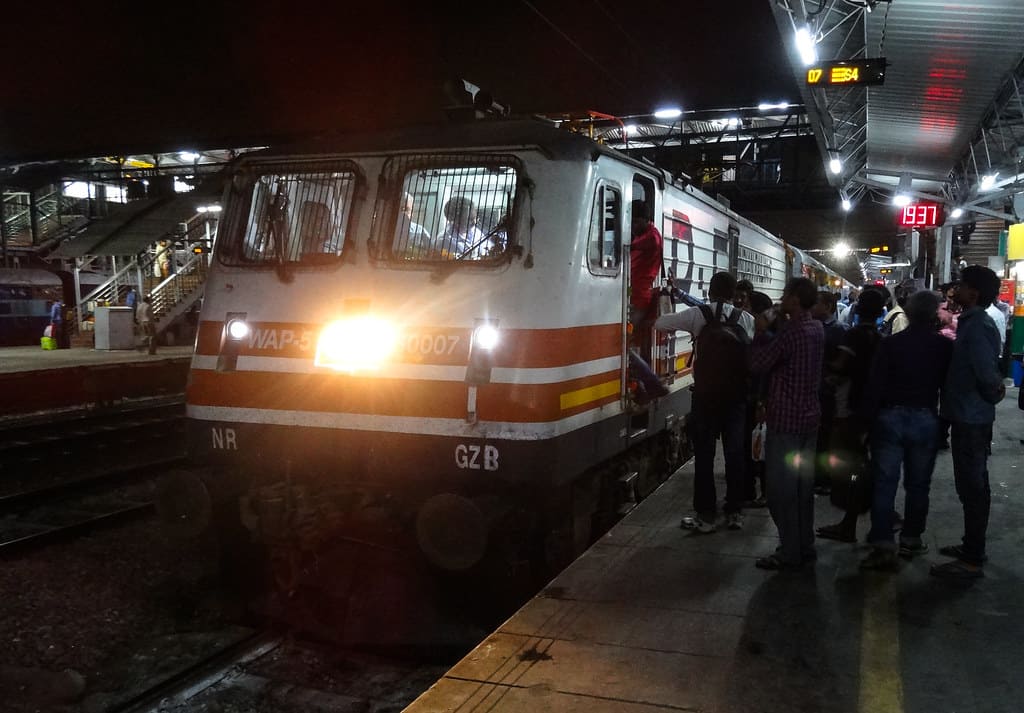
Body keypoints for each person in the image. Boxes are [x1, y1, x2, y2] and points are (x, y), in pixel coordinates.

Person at [859, 290, 953, 570]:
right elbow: (948, 388)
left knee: (884, 484)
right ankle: (911, 539)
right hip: (925, 417)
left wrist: (864, 424)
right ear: (934, 313)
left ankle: (883, 544)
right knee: (918, 485)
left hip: (890, 418)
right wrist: (943, 426)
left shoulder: (891, 344)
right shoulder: (943, 347)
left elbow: (875, 386)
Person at [655, 271, 754, 532]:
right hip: (736, 399)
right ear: (735, 294)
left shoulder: (699, 315)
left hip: (706, 396)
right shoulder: (745, 319)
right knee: (735, 455)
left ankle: (706, 516)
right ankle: (735, 512)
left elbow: (661, 324)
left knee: (705, 456)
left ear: (710, 291)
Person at [932, 265, 1005, 579]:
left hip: (971, 418)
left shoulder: (976, 326)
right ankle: (971, 547)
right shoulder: (972, 323)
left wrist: (993, 394)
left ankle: (972, 559)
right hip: (968, 415)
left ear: (973, 293)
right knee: (972, 486)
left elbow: (988, 375)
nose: (954, 291)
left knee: (973, 487)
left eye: (960, 286)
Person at [749, 277, 824, 570]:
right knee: (803, 490)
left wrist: (760, 332)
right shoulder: (816, 328)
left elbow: (758, 364)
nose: (781, 299)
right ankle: (805, 546)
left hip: (786, 422)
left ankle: (789, 551)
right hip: (809, 420)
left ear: (795, 298)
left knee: (781, 492)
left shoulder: (791, 333)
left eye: (785, 295)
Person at [815, 289, 884, 543]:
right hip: (868, 410)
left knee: (847, 467)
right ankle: (852, 521)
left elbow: (841, 365)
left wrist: (826, 369)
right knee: (857, 465)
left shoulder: (853, 336)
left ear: (858, 308)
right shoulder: (879, 337)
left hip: (848, 408)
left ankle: (849, 522)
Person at [627, 201, 668, 404]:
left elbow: (627, 245)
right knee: (628, 345)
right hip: (633, 296)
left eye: (635, 222)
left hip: (638, 298)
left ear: (646, 220)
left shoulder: (651, 237)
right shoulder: (645, 235)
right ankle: (641, 387)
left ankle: (651, 383)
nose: (633, 226)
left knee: (621, 346)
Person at [811, 291, 846, 495]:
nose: (812, 307)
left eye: (816, 304)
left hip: (828, 392)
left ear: (828, 306)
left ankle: (824, 478)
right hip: (816, 390)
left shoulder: (838, 331)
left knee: (825, 437)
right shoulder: (820, 328)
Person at [395, 192, 432, 258]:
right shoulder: (385, 230)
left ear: (412, 213)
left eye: (407, 210)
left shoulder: (420, 232)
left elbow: (432, 253)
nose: (403, 214)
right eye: (401, 210)